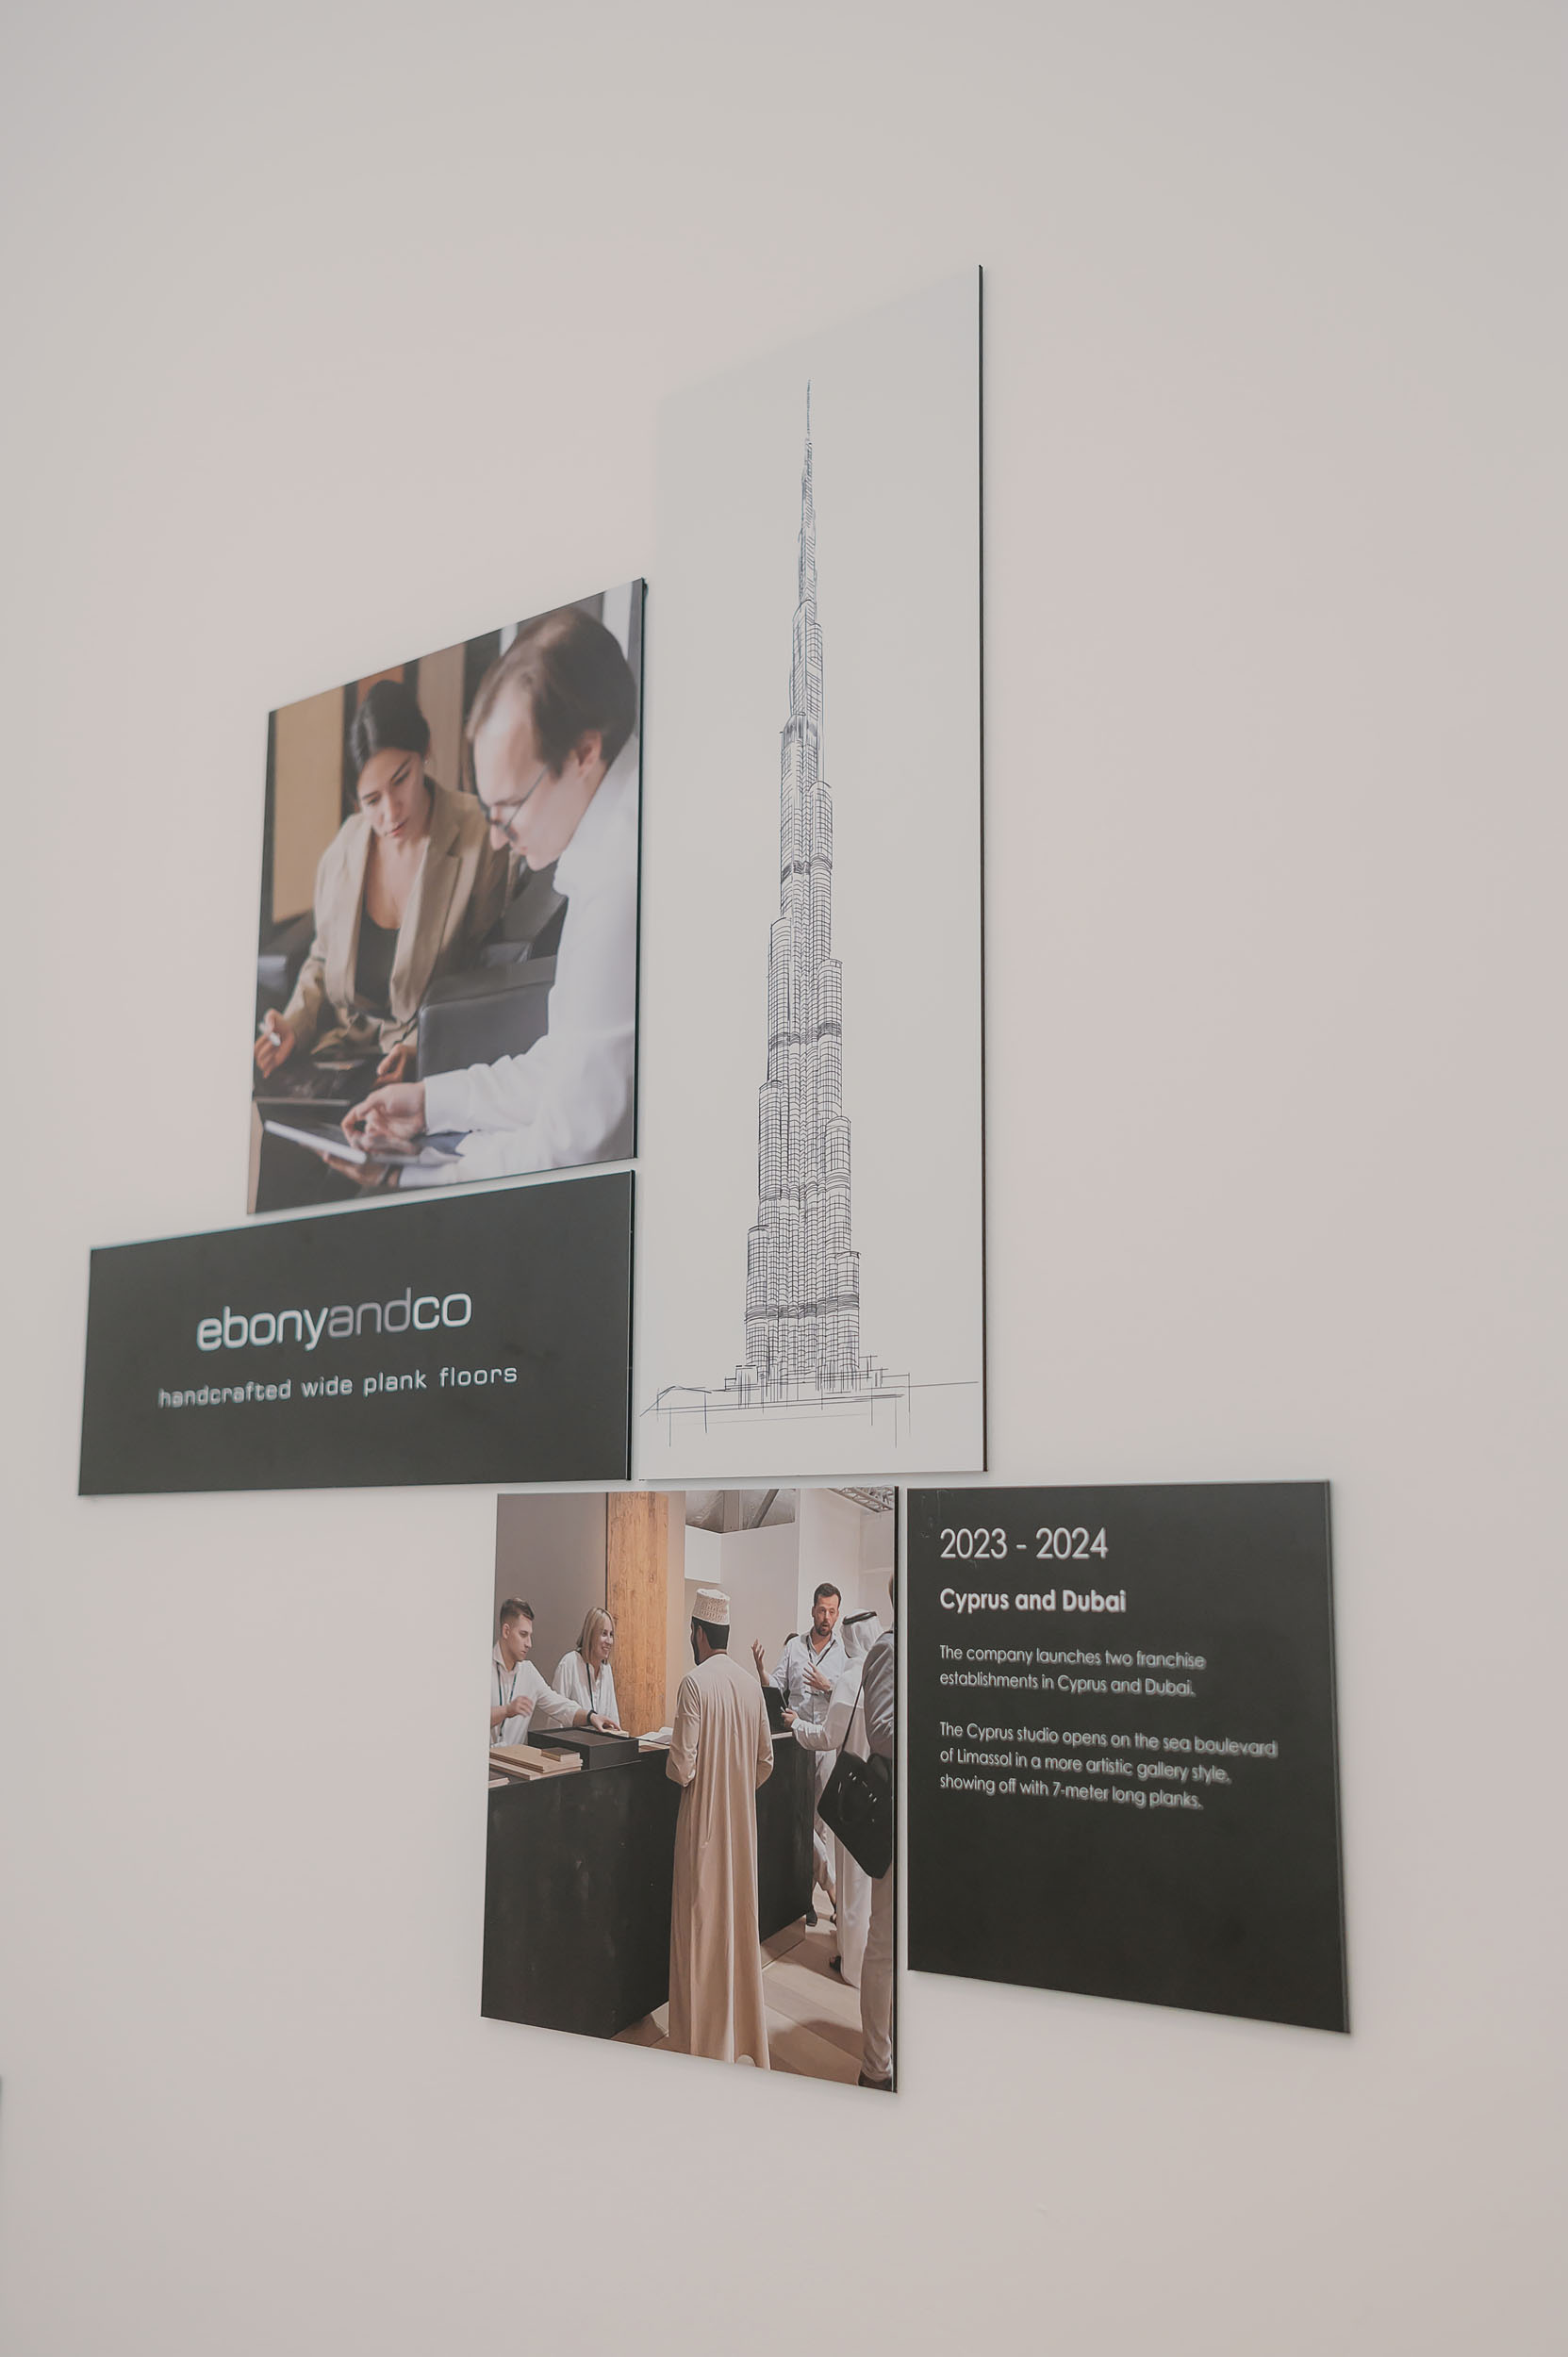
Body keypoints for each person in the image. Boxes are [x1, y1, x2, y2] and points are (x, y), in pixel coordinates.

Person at [341, 606, 639, 1181]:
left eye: (509, 808)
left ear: (584, 753)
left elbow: (571, 1148)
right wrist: (430, 1102)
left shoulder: (619, 883)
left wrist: (416, 1174)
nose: (499, 839)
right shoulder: (613, 840)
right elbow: (569, 1064)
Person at [257, 677, 509, 1088]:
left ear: (425, 751)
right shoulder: (344, 848)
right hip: (341, 1058)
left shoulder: (478, 838)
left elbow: (484, 972)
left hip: (430, 1063)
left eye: (401, 780)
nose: (391, 813)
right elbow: (322, 959)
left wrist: (420, 1047)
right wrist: (293, 1024)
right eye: (372, 801)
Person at [666, 1589, 774, 2067]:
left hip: (702, 1828)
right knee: (735, 1930)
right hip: (740, 1830)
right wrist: (736, 1787)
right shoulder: (750, 1685)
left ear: (699, 1634)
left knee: (698, 1936)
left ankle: (698, 2048)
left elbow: (681, 1767)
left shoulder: (694, 1684)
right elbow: (765, 1761)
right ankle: (735, 2040)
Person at [790, 1610, 883, 1988]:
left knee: (852, 1881)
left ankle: (851, 1963)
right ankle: (867, 1958)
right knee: (870, 1882)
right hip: (880, 1790)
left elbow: (828, 1737)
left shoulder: (849, 1679)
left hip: (852, 1791)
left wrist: (797, 1725)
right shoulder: (883, 1674)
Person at [752, 1582, 848, 1920]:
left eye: (832, 1612)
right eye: (822, 1610)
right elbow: (776, 1688)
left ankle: (804, 1901)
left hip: (825, 1745)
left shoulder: (843, 1655)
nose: (826, 1617)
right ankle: (833, 1893)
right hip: (795, 1746)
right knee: (798, 1819)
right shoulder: (794, 1647)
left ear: (838, 1613)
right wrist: (761, 1670)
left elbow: (849, 1700)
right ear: (812, 1610)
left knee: (819, 1826)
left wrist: (828, 1687)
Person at [857, 1578, 897, 2090]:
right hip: (891, 1812)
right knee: (883, 1940)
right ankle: (875, 2066)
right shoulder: (889, 1648)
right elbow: (882, 1731)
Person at [490, 1598, 615, 1747]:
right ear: (506, 1631)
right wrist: (506, 1710)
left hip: (514, 1760)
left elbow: (559, 1706)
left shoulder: (529, 1672)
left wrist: (591, 1717)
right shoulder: (479, 1669)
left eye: (530, 1636)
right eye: (523, 1634)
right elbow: (470, 1719)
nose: (529, 1644)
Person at [553, 1606, 624, 1730]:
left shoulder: (606, 1669)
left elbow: (613, 1719)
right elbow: (556, 1717)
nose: (609, 1641)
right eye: (604, 1634)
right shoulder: (569, 1663)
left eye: (611, 1634)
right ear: (591, 1634)